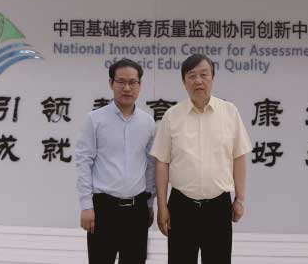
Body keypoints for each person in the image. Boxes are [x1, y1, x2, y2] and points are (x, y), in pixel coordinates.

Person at [150, 53, 252, 264]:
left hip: (218, 206)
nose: (198, 81)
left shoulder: (229, 112)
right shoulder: (172, 116)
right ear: (184, 82)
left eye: (204, 74)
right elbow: (162, 163)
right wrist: (162, 206)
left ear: (212, 78)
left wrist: (240, 199)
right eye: (192, 75)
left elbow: (239, 157)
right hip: (181, 206)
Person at [75, 58, 156, 264]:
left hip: (137, 209)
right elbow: (84, 162)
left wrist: (149, 203)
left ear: (140, 85)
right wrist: (86, 206)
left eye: (132, 82)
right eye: (121, 82)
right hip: (104, 209)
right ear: (111, 83)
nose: (127, 88)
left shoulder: (147, 123)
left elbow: (150, 166)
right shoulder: (94, 119)